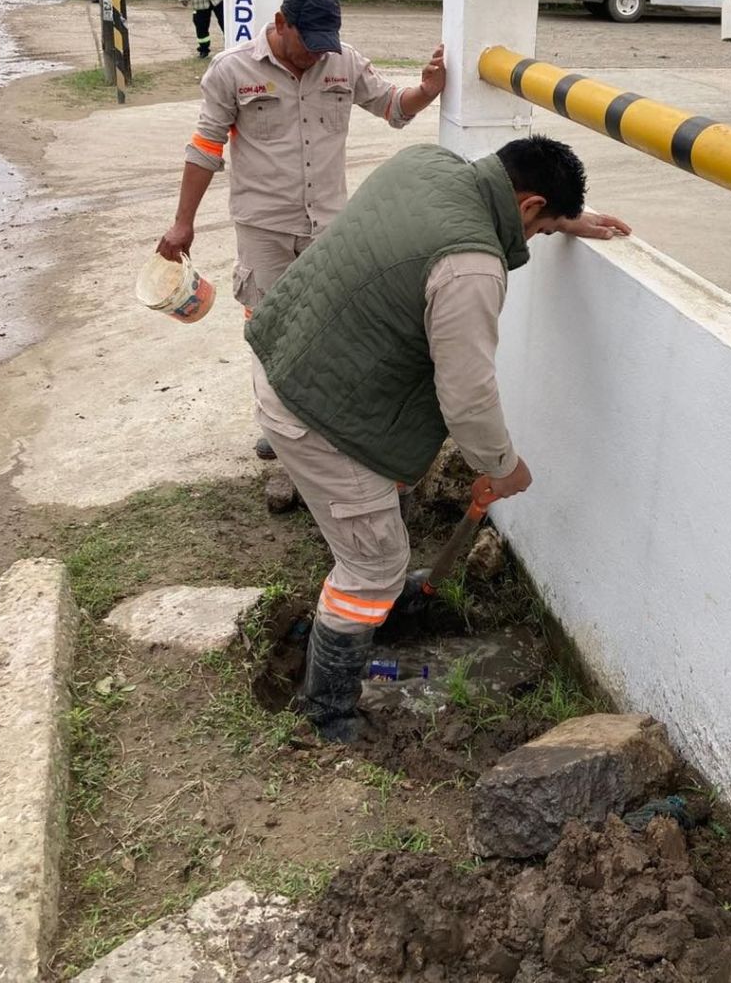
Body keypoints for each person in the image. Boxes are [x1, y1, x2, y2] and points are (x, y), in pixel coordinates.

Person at [245, 135, 630, 742]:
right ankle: (328, 710)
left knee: (385, 508)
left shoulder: (426, 164)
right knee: (373, 565)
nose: (534, 240)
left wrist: (567, 221)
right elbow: (468, 398)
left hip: (289, 358)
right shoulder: (471, 266)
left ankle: (383, 604)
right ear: (528, 205)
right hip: (315, 415)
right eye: (541, 228)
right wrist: (502, 466)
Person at [156, 0, 447, 460]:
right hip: (264, 227)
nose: (316, 55)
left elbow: (393, 107)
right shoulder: (233, 70)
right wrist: (182, 222)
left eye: (324, 46)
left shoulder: (342, 62)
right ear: (280, 24)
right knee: (268, 325)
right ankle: (278, 425)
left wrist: (427, 90)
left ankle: (322, 423)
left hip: (328, 227)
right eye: (308, 44)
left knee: (329, 327)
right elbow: (205, 148)